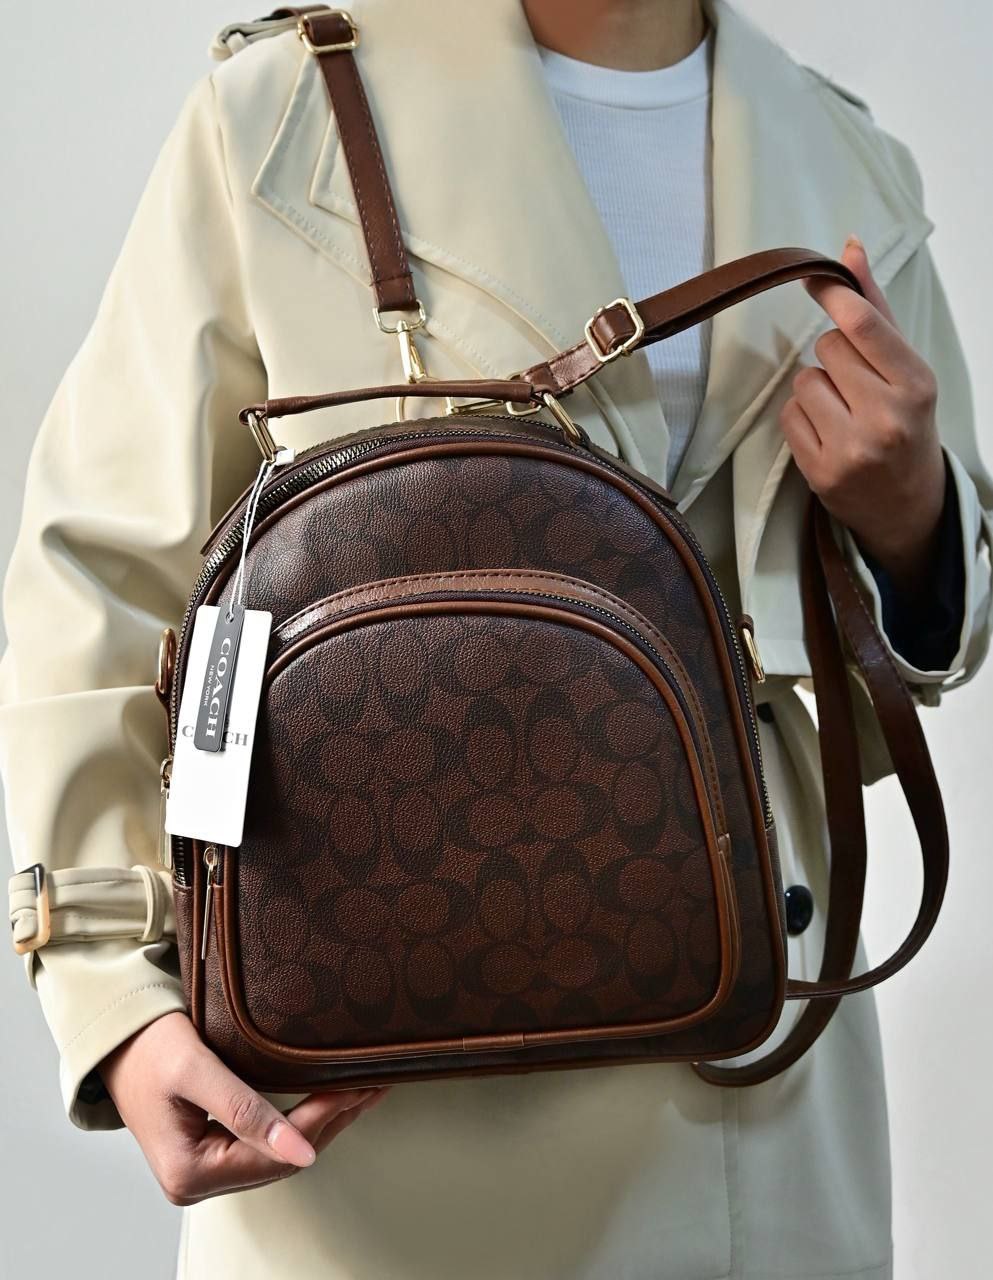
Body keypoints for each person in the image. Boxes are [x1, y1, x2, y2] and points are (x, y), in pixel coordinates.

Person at [2, 1, 991, 1277]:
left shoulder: (847, 162)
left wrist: (914, 523)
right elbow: (101, 572)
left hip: (759, 1087)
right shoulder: (287, 112)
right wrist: (116, 993)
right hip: (379, 1112)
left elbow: (940, 620)